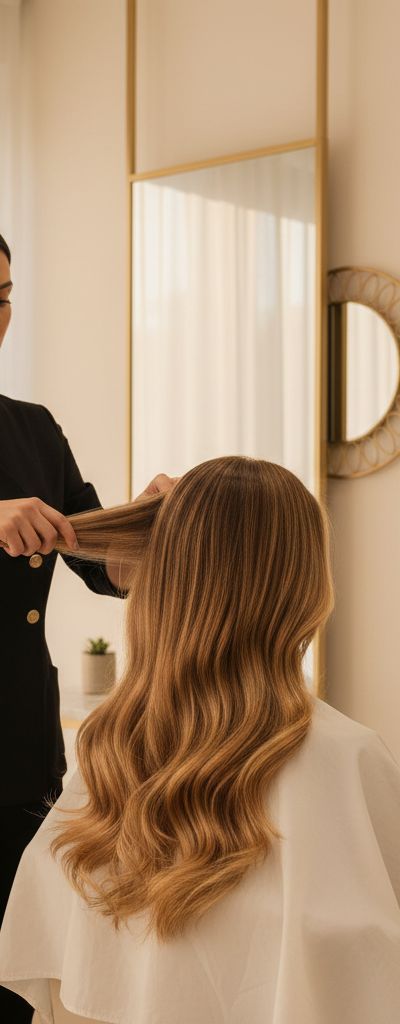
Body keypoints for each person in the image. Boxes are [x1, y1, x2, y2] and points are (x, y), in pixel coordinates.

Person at [0, 455, 399, 1024]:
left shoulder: (111, 746)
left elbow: (59, 964)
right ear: (304, 586)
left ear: (163, 585)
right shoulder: (346, 755)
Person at [0, 232, 176, 1024]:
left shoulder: (32, 429)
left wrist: (154, 526)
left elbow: (101, 563)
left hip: (18, 747)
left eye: (2, 297)